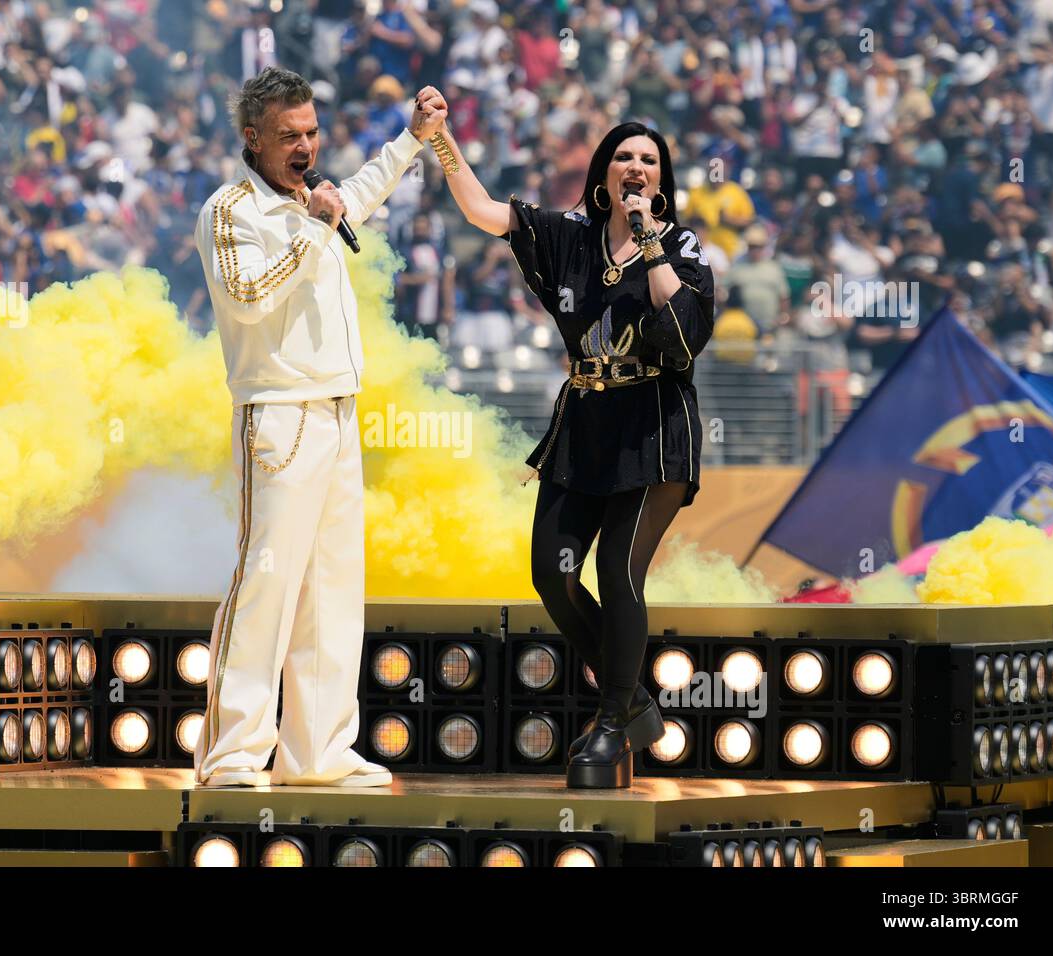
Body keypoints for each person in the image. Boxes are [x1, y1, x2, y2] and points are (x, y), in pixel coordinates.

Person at [429, 111, 716, 789]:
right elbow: (479, 209)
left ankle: (613, 718)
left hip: (653, 430)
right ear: (604, 174)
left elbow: (679, 339)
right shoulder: (569, 236)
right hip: (584, 426)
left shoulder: (683, 247)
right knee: (551, 574)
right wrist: (437, 138)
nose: (636, 169)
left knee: (618, 570)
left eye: (649, 160)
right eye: (624, 158)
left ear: (661, 181)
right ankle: (636, 699)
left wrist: (649, 243)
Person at [193, 67, 447, 788]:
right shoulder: (230, 209)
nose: (304, 147)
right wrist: (314, 229)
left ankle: (317, 755)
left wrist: (412, 140)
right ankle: (233, 755)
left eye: (310, 133)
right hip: (277, 416)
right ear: (252, 138)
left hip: (337, 410)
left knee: (333, 593)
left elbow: (356, 196)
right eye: (288, 137)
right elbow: (246, 299)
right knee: (265, 586)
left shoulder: (312, 203)